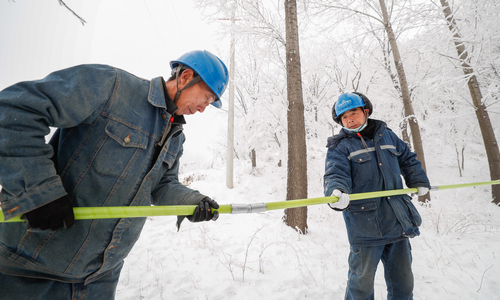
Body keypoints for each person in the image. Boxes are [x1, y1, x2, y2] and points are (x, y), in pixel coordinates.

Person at [0, 50, 228, 299]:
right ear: (185, 77)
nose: (203, 108)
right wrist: (37, 191)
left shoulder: (176, 137)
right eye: (206, 98)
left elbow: (162, 184)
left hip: (100, 279)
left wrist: (192, 201)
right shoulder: (112, 87)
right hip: (33, 269)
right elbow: (15, 111)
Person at [323, 92, 430, 300]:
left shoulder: (387, 135)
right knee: (360, 288)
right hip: (365, 229)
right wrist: (337, 191)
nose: (349, 119)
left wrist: (418, 181)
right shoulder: (339, 146)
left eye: (353, 113)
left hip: (397, 223)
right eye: (344, 117)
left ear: (366, 111)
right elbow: (335, 172)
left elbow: (407, 159)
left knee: (403, 285)